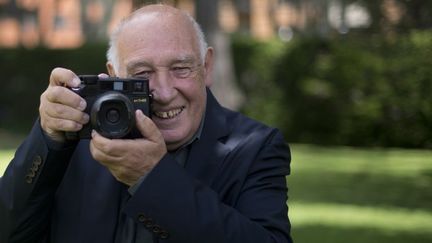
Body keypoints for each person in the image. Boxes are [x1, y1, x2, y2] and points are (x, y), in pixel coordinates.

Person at [0, 4, 292, 243]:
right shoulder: (79, 137)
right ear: (114, 75)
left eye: (181, 69)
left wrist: (152, 178)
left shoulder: (255, 147)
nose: (164, 93)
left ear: (207, 67)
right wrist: (48, 138)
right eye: (142, 73)